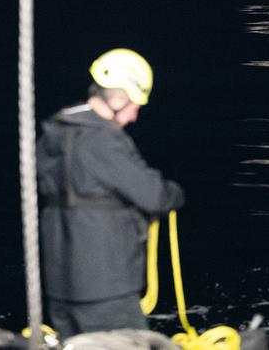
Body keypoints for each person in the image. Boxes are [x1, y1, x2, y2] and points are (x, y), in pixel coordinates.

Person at [37, 49, 185, 338]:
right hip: (105, 286)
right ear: (117, 98)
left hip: (60, 286)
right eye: (135, 104)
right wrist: (174, 193)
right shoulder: (102, 140)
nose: (135, 115)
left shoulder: (54, 133)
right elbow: (154, 195)